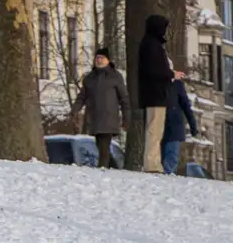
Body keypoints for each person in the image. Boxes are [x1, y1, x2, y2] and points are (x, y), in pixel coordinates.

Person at [69, 47, 130, 169]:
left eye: (102, 58)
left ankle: (102, 170)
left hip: (109, 118)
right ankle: (113, 168)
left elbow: (124, 99)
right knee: (101, 146)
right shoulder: (90, 78)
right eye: (97, 58)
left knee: (104, 147)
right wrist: (74, 111)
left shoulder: (115, 76)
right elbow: (82, 97)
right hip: (95, 118)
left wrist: (126, 119)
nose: (99, 60)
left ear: (108, 60)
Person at [137, 15, 182, 174]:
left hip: (154, 94)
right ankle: (152, 163)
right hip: (156, 94)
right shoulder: (152, 45)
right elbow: (154, 70)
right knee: (154, 130)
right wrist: (171, 74)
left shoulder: (150, 44)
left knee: (155, 130)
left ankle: (154, 162)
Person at [161, 77, 198, 175]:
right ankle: (163, 175)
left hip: (174, 126)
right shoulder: (156, 82)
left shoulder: (177, 85)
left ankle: (166, 174)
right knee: (163, 155)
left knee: (172, 156)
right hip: (160, 125)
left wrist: (193, 126)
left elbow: (186, 106)